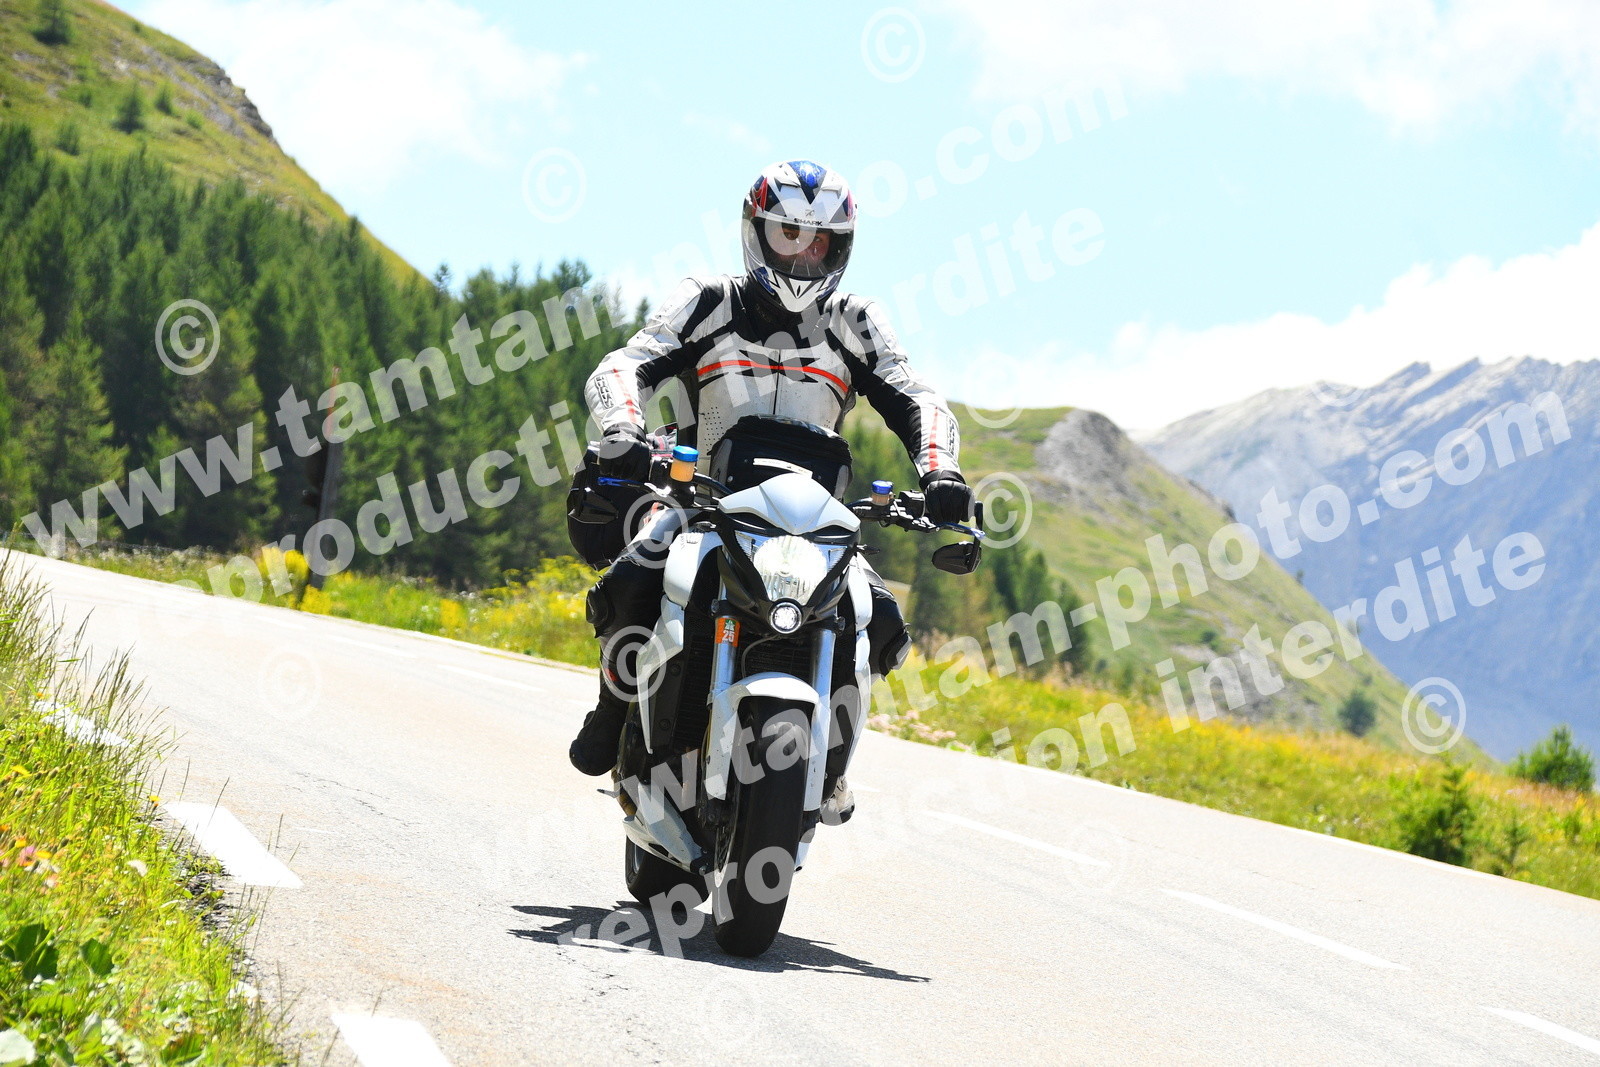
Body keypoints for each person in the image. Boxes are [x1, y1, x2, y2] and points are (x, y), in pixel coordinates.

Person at [569, 159, 974, 787]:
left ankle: (828, 759)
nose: (803, 253)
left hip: (815, 520)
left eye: (820, 242)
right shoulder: (708, 300)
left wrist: (941, 471)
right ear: (755, 231)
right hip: (703, 501)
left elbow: (914, 396)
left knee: (882, 619)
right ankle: (613, 708)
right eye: (788, 234)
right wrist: (623, 429)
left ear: (841, 247)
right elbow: (627, 363)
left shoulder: (856, 320)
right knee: (634, 576)